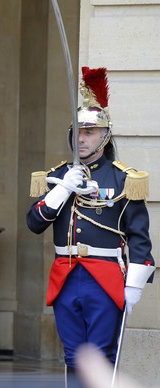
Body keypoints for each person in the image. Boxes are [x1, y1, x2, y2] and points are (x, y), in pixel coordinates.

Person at [27, 67, 154, 386]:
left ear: (105, 136)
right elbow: (34, 223)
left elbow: (140, 239)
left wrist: (135, 284)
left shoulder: (124, 179)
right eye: (78, 131)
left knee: (100, 357)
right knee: (73, 357)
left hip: (105, 276)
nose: (81, 138)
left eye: (90, 132)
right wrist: (63, 188)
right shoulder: (58, 176)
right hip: (66, 274)